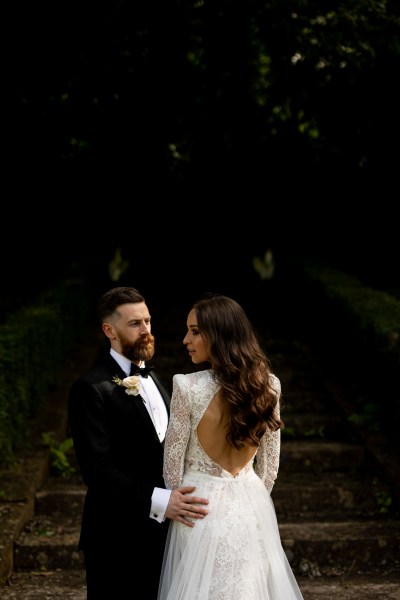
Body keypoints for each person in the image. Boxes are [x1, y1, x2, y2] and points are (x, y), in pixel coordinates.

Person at [157, 293, 304, 600]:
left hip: (196, 505)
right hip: (251, 504)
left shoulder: (186, 386)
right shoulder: (270, 385)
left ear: (220, 333)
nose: (185, 339)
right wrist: (249, 498)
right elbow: (270, 469)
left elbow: (171, 468)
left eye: (195, 331)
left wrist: (177, 499)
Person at [68, 286, 209, 600]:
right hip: (116, 538)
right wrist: (162, 501)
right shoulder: (91, 389)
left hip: (163, 534)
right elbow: (97, 470)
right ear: (110, 330)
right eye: (135, 324)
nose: (146, 330)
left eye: (147, 321)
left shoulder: (158, 379)